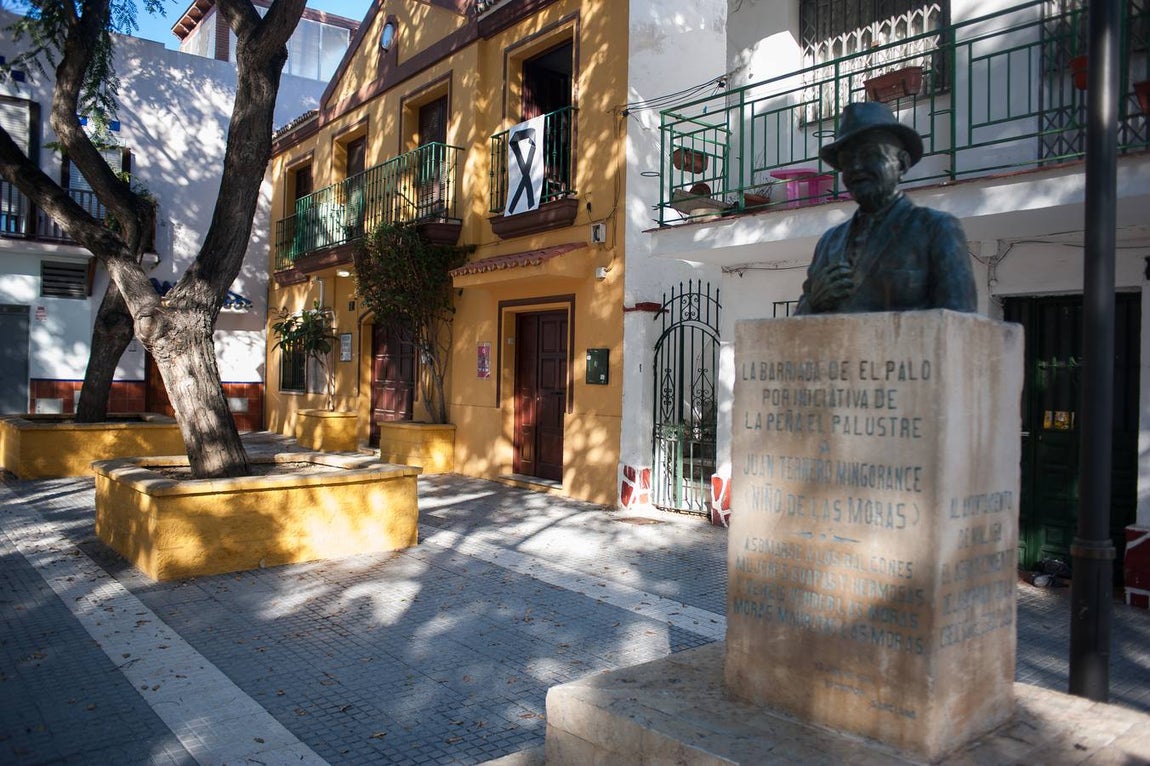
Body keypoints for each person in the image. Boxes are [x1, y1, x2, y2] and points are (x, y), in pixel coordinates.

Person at [795, 102, 977, 314]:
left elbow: (960, 326)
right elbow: (797, 326)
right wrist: (814, 302)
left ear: (902, 163)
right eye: (846, 161)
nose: (855, 167)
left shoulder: (936, 229)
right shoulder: (829, 243)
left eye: (870, 155)